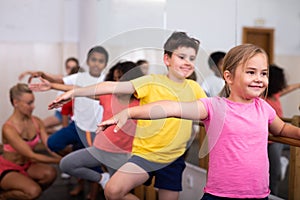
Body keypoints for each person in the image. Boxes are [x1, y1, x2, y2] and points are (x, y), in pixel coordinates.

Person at [95, 44, 300, 199]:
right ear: (228, 77)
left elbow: (282, 128)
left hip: (258, 194)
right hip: (220, 194)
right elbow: (170, 108)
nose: (259, 78)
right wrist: (130, 113)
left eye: (263, 73)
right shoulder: (214, 106)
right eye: (251, 72)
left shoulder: (263, 108)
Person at [46, 31, 206, 200]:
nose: (188, 63)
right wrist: (75, 93)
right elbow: (111, 87)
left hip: (173, 159)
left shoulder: (195, 88)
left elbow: (208, 112)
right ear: (167, 59)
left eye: (192, 58)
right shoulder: (151, 82)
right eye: (182, 57)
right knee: (112, 191)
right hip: (145, 155)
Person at [29, 46, 110, 199]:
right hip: (76, 126)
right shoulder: (79, 77)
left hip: (94, 131)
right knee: (53, 143)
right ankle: (80, 181)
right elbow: (60, 80)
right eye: (93, 59)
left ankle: (94, 193)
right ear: (88, 61)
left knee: (93, 164)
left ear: (105, 64)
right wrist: (44, 75)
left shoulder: (106, 80)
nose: (96, 64)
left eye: (100, 61)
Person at [59, 61, 144, 192]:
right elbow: (79, 90)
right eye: (114, 78)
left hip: (121, 155)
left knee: (117, 193)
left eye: (120, 79)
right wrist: (51, 85)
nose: (116, 83)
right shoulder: (108, 96)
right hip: (99, 150)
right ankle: (102, 178)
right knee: (66, 164)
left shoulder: (141, 103)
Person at [0, 83, 60, 200]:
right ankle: (3, 196)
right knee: (34, 191)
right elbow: (31, 155)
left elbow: (49, 146)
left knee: (50, 174)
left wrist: (68, 157)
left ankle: (26, 193)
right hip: (8, 168)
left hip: (27, 165)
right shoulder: (8, 128)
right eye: (29, 103)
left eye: (33, 102)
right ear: (16, 103)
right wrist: (59, 161)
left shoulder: (37, 122)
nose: (33, 106)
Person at [19, 57, 81, 135]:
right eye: (68, 67)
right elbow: (50, 77)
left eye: (73, 67)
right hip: (60, 112)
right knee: (42, 127)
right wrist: (29, 72)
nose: (70, 70)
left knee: (42, 126)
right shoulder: (64, 78)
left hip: (65, 114)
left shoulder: (78, 79)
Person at [266, 64, 300, 195]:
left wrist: (298, 85)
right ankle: (271, 194)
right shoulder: (262, 98)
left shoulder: (276, 95)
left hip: (276, 139)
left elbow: (288, 88)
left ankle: (283, 160)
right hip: (268, 139)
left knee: (275, 172)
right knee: (271, 173)